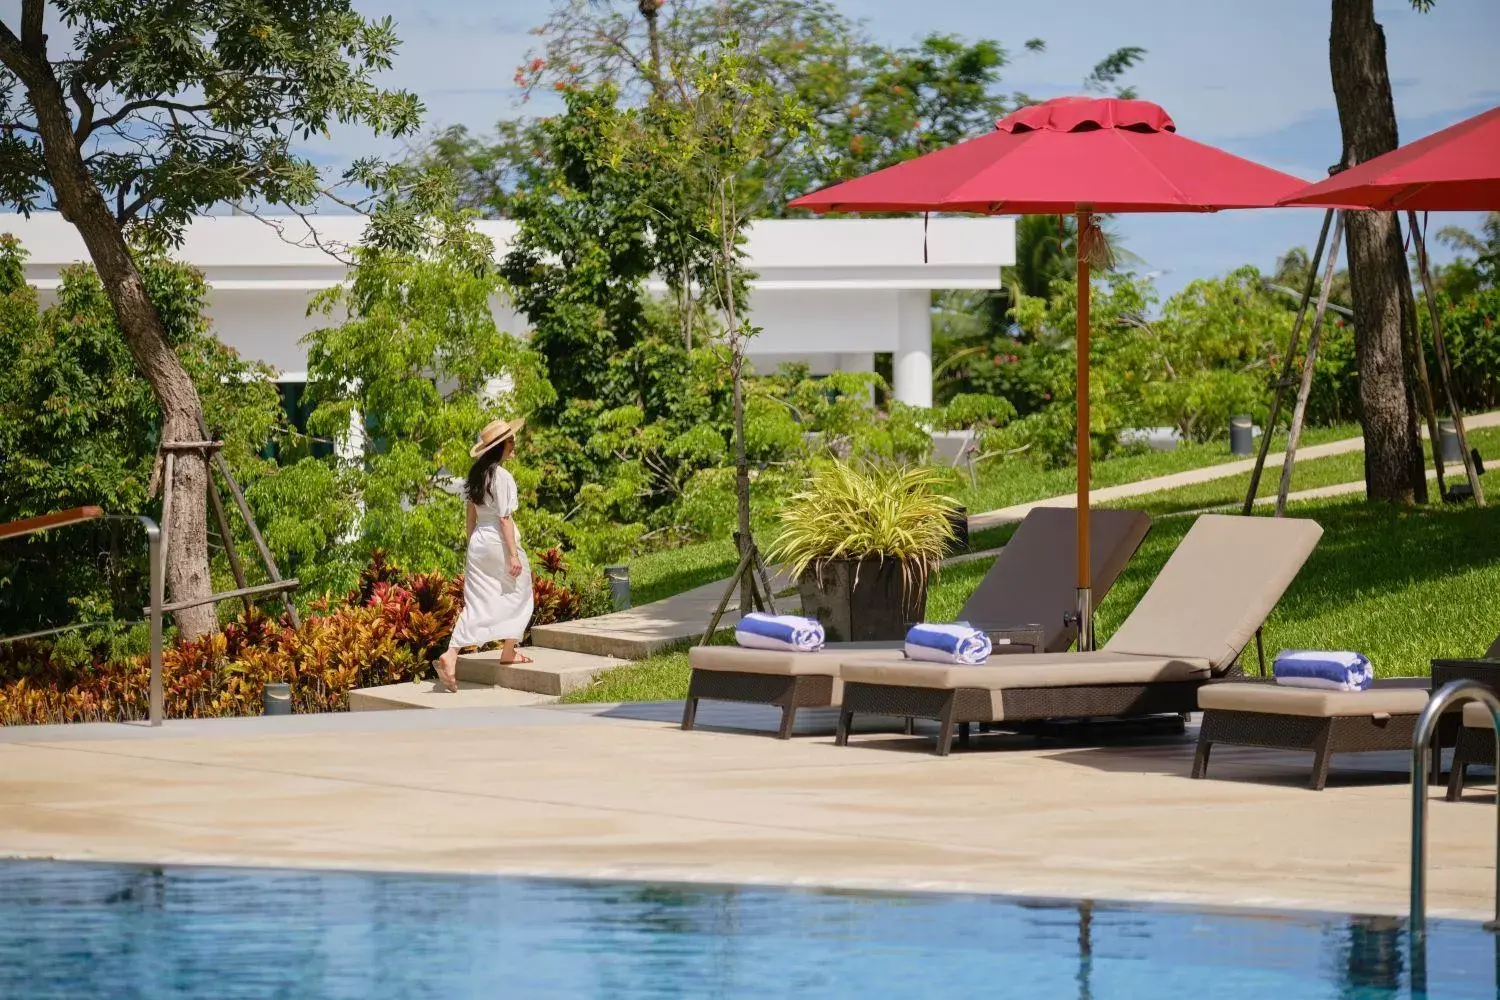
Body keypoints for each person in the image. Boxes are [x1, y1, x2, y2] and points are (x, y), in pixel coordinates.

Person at [435, 418, 534, 692]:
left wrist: (472, 546)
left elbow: (470, 515)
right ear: (500, 446)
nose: (514, 445)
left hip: (479, 542)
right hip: (498, 541)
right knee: (522, 590)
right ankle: (509, 651)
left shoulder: (476, 474)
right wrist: (513, 555)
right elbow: (505, 519)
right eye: (511, 441)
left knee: (477, 601)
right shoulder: (502, 477)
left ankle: (452, 654)